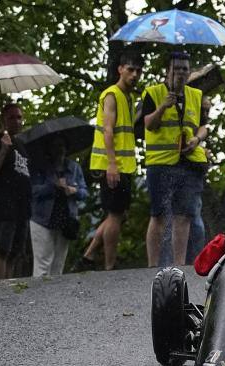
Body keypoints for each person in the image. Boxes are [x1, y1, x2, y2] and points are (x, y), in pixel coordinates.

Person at [72, 52, 143, 272]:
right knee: (114, 215)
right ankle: (110, 265)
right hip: (112, 164)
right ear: (120, 69)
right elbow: (108, 131)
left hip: (122, 164)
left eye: (138, 71)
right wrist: (112, 164)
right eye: (130, 69)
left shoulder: (127, 97)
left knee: (117, 214)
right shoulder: (111, 94)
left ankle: (89, 254)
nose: (135, 74)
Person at [142, 51, 210, 267]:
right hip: (160, 163)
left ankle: (179, 265)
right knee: (159, 215)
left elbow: (203, 126)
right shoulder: (153, 93)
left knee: (184, 215)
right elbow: (148, 124)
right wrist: (163, 106)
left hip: (188, 163)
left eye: (184, 69)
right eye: (177, 69)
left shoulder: (196, 96)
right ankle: (152, 265)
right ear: (168, 72)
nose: (181, 73)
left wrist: (197, 140)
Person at [0, 102, 31, 279]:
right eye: (12, 117)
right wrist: (3, 150)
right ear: (3, 120)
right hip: (4, 206)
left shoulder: (22, 146)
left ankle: (8, 290)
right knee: (2, 250)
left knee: (15, 253)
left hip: (22, 208)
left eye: (19, 117)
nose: (17, 121)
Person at [29, 138, 88, 277]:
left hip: (65, 220)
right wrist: (52, 187)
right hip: (42, 219)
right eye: (55, 146)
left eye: (62, 145)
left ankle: (55, 296)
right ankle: (38, 296)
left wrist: (74, 191)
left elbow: (84, 192)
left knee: (58, 264)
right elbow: (32, 191)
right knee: (43, 265)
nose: (59, 149)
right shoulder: (39, 168)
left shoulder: (74, 168)